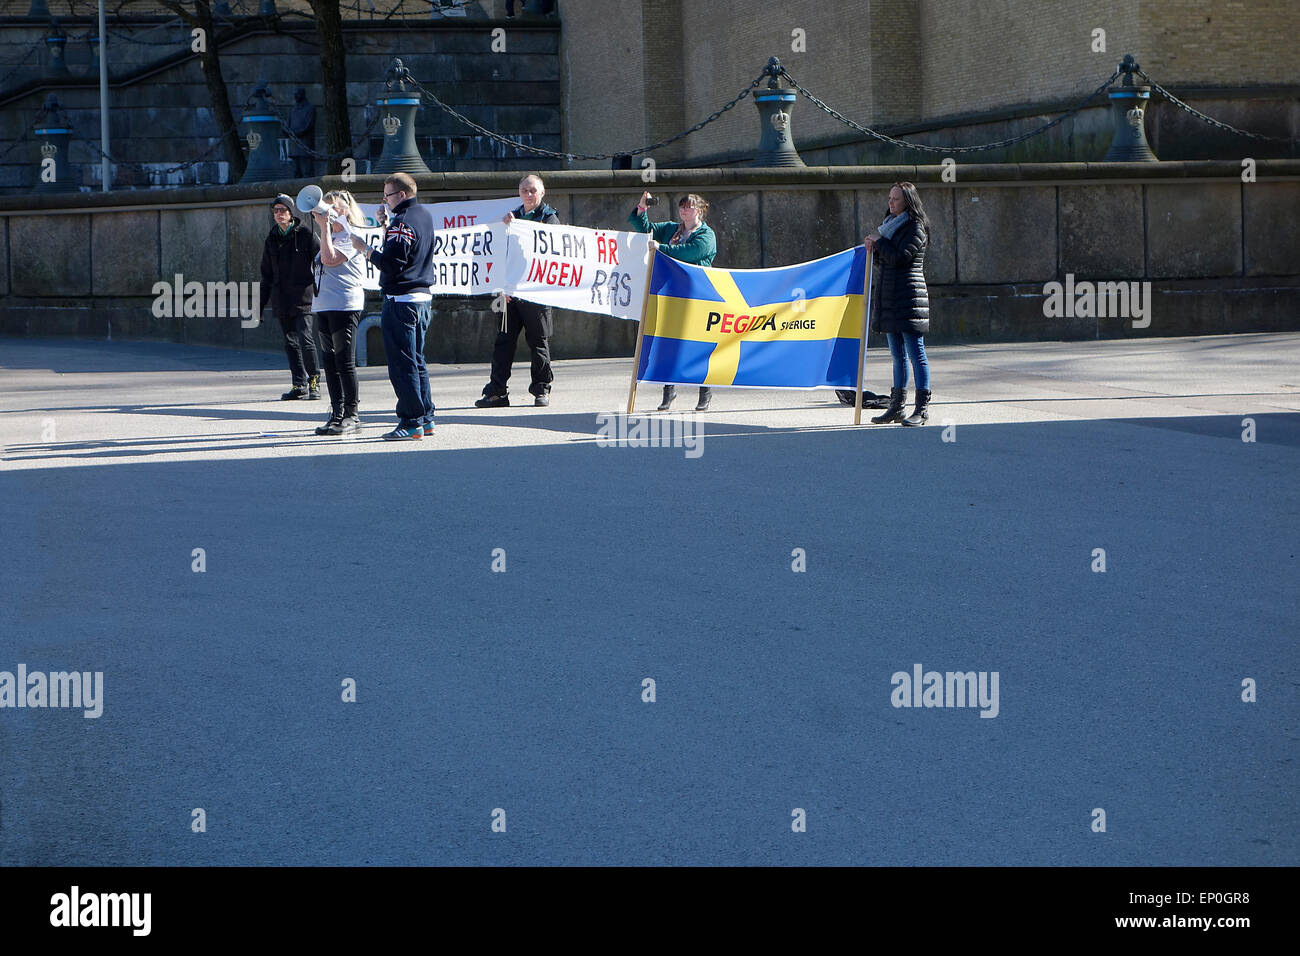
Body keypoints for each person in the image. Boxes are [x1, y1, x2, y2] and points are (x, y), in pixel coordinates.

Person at [355, 173, 437, 441]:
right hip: (421, 298)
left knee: (403, 364)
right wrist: (385, 226)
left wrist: (365, 249)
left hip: (402, 300)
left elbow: (392, 262)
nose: (385, 201)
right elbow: (407, 251)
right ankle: (425, 417)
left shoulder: (402, 222)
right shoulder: (422, 215)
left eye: (387, 195)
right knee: (417, 360)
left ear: (401, 195)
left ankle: (410, 420)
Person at [628, 191, 717, 411]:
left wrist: (662, 248)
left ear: (700, 210)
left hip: (698, 295)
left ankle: (704, 391)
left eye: (690, 206)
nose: (685, 210)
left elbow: (691, 252)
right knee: (669, 342)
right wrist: (642, 208)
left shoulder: (706, 235)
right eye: (682, 207)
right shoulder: (671, 229)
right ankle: (669, 391)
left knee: (699, 344)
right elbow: (643, 228)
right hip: (671, 293)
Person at [476, 174, 560, 408]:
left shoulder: (549, 219)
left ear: (542, 193)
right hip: (511, 294)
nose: (528, 194)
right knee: (503, 342)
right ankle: (497, 391)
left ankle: (542, 388)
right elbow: (499, 255)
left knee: (538, 342)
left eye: (533, 190)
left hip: (537, 294)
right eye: (524, 190)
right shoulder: (511, 218)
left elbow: (554, 255)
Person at [864, 181, 931, 426]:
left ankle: (921, 409)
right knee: (897, 356)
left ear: (908, 202)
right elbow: (887, 261)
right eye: (890, 198)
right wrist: (875, 248)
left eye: (896, 199)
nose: (890, 203)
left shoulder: (916, 227)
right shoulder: (890, 227)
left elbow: (901, 257)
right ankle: (896, 406)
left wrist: (879, 242)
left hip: (910, 297)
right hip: (891, 297)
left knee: (916, 354)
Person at [309, 189, 368, 436]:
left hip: (344, 305)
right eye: (327, 206)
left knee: (344, 361)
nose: (330, 211)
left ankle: (351, 414)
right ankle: (336, 412)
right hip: (323, 305)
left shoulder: (351, 236)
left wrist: (324, 228)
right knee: (330, 362)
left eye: (335, 207)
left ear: (347, 210)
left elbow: (330, 259)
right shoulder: (331, 236)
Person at [260, 193, 321, 400]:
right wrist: (259, 306)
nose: (279, 214)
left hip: (303, 297)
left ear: (291, 212)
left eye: (283, 210)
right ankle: (298, 384)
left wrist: (320, 292)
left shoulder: (305, 234)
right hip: (281, 298)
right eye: (275, 211)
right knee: (290, 342)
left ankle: (314, 381)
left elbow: (321, 262)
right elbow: (266, 274)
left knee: (305, 338)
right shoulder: (272, 238)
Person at [288, 88, 315, 179]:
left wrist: (296, 134)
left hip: (305, 145)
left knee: (307, 172)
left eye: (297, 94)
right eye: (295, 95)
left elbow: (308, 125)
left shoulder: (310, 107)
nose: (295, 97)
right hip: (294, 146)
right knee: (296, 172)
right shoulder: (293, 109)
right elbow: (289, 123)